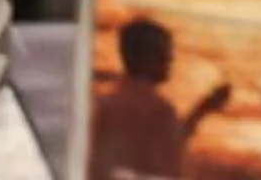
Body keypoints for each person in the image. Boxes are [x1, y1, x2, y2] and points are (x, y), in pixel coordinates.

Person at [90, 16, 226, 179]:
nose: (170, 60)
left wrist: (203, 109)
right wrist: (203, 110)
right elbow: (169, 154)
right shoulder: (160, 111)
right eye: (163, 54)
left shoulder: (103, 106)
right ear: (144, 58)